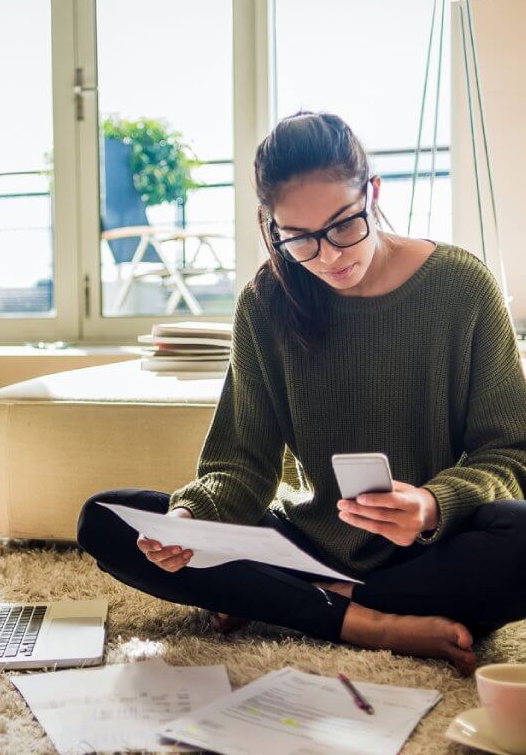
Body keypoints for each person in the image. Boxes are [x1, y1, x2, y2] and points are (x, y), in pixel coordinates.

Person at [77, 111, 526, 676]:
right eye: (300, 239)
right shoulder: (265, 303)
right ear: (272, 227)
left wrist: (434, 505)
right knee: (107, 520)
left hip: (423, 552)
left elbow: (510, 451)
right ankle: (367, 622)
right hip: (298, 541)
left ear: (373, 193)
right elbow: (241, 462)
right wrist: (193, 516)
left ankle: (289, 600)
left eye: (344, 226)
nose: (331, 256)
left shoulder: (463, 288)